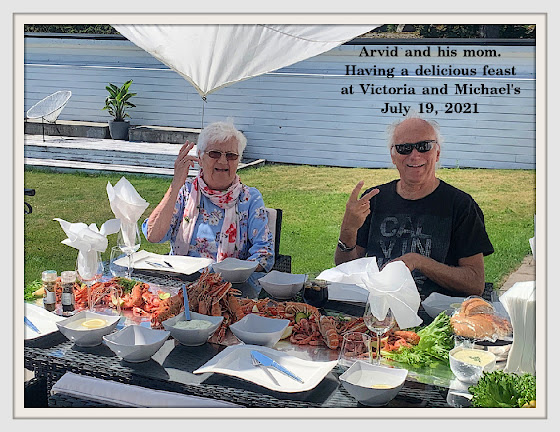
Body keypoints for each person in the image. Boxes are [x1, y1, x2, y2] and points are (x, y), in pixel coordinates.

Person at [334, 114, 494, 300]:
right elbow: (346, 270)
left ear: (437, 153)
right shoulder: (374, 199)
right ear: (393, 156)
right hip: (378, 307)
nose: (415, 155)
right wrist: (348, 230)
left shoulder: (461, 205)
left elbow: (475, 283)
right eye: (404, 148)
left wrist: (419, 261)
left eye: (424, 146)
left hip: (434, 313)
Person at [142, 121, 274, 272]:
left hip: (228, 282)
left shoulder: (249, 199)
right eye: (214, 154)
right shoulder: (185, 192)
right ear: (200, 157)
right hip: (181, 279)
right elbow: (153, 236)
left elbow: (264, 254)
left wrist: (234, 273)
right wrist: (175, 184)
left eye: (231, 155)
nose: (223, 161)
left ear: (238, 161)